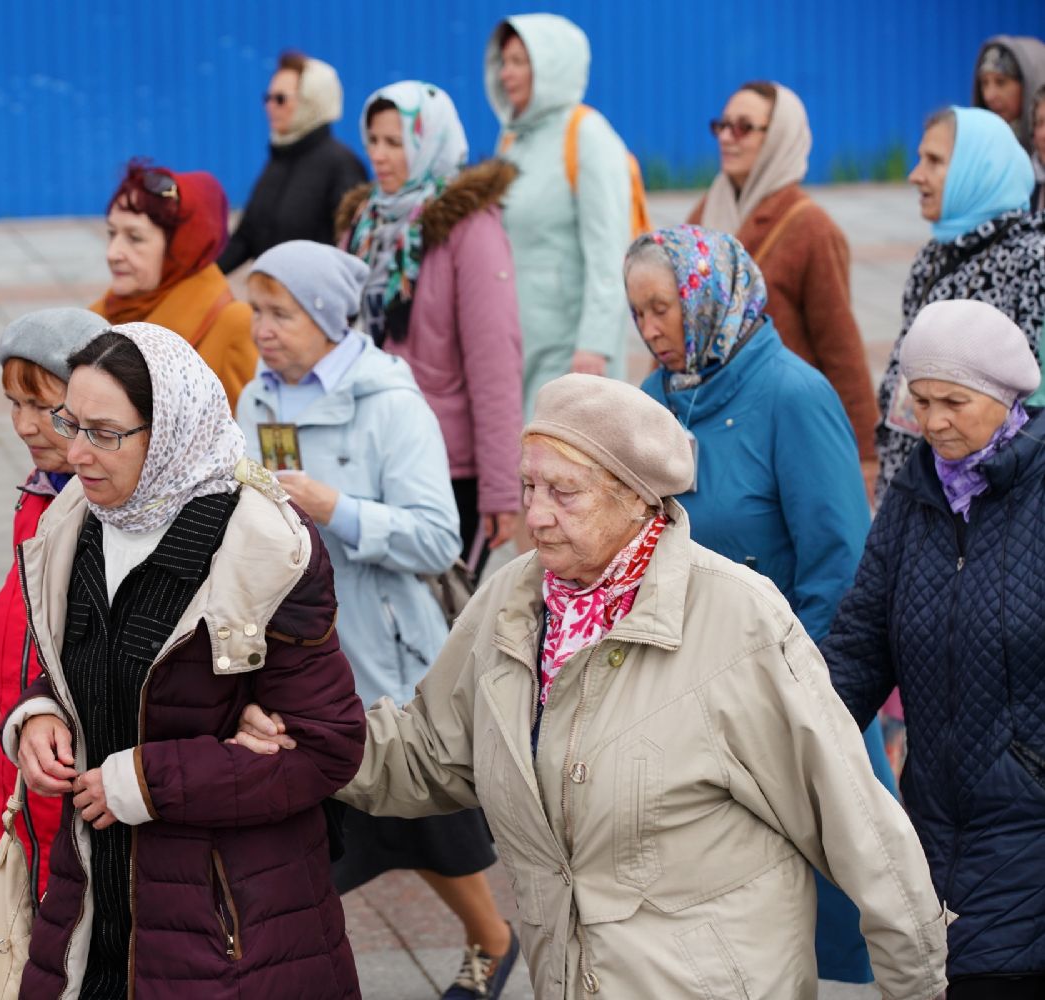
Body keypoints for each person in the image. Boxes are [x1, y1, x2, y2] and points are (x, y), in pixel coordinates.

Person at [236, 374, 951, 999]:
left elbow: (860, 829)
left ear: (635, 497)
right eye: (528, 486)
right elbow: (431, 752)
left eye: (564, 492)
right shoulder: (511, 601)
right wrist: (306, 738)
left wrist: (919, 985)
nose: (536, 514)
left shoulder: (739, 619)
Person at [0, 323, 365, 997]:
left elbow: (326, 747)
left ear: (169, 430)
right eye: (70, 423)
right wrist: (40, 713)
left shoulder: (262, 547)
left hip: (227, 934)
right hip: (90, 909)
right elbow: (81, 666)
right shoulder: (75, 522)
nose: (74, 452)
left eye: (104, 433)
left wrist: (147, 783)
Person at [235, 241, 520, 999]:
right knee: (306, 840)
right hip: (293, 652)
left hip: (386, 660)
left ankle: (493, 938)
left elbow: (437, 539)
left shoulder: (389, 402)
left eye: (280, 313)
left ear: (328, 317)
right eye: (256, 311)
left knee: (427, 826)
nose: (262, 329)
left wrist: (336, 509)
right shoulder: (256, 399)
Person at [629, 225, 899, 986]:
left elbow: (840, 570)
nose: (649, 331)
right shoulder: (653, 402)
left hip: (790, 697)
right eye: (637, 313)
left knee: (823, 917)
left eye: (662, 308)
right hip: (686, 700)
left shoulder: (793, 396)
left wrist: (791, 695)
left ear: (706, 299)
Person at [824, 300, 1045, 999]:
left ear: (1004, 397)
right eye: (919, 401)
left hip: (1029, 824)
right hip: (932, 823)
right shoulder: (915, 493)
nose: (934, 422)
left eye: (954, 402)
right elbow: (861, 641)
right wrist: (788, 736)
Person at [0, 308, 105, 950]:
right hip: (14, 792)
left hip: (72, 804)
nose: (22, 425)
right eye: (14, 403)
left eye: (42, 405)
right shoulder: (39, 496)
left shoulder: (108, 513)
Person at [336, 81, 524, 555]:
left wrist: (501, 489)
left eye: (395, 142)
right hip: (365, 451)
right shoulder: (363, 224)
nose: (379, 155)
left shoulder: (469, 227)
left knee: (442, 599)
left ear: (429, 144)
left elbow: (494, 363)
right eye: (373, 140)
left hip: (445, 463)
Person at [689, 82, 880, 492]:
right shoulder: (706, 212)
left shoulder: (811, 228)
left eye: (743, 127)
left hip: (780, 432)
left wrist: (865, 454)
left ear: (778, 137)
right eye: (722, 125)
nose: (726, 137)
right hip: (706, 424)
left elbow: (840, 346)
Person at [875, 106, 1045, 503]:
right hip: (913, 486)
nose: (916, 175)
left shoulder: (1032, 261)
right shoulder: (935, 255)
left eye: (934, 161)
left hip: (989, 504)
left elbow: (1033, 406)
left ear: (980, 169)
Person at [485, 15, 635, 400]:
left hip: (569, 351)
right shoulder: (512, 140)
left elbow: (609, 250)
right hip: (516, 342)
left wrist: (595, 344)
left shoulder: (587, 136)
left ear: (552, 66)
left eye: (519, 62)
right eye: (504, 62)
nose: (505, 74)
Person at [90, 162, 257, 409]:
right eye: (112, 233)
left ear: (182, 245)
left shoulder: (232, 325)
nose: (113, 253)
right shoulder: (98, 318)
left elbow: (253, 427)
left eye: (135, 238)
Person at [217, 52, 368, 272]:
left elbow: (350, 252)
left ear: (312, 101)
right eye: (268, 98)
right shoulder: (279, 158)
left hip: (313, 293)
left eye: (280, 99)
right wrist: (201, 278)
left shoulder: (342, 165)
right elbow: (246, 237)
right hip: (269, 292)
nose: (270, 106)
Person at [972, 36, 1045, 158]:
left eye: (1001, 82)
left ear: (1029, 84)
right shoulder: (978, 154)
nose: (989, 96)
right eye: (984, 83)